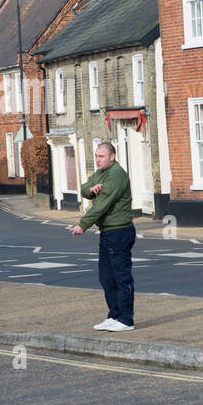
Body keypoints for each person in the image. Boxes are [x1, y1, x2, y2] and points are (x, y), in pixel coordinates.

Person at [68, 141, 136, 331]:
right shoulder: (100, 173)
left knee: (121, 277)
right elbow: (84, 188)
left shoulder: (116, 175)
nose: (97, 160)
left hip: (119, 231)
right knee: (106, 277)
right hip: (107, 232)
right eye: (96, 156)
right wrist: (90, 190)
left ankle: (126, 319)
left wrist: (83, 225)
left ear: (112, 157)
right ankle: (114, 315)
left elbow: (101, 204)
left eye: (101, 156)